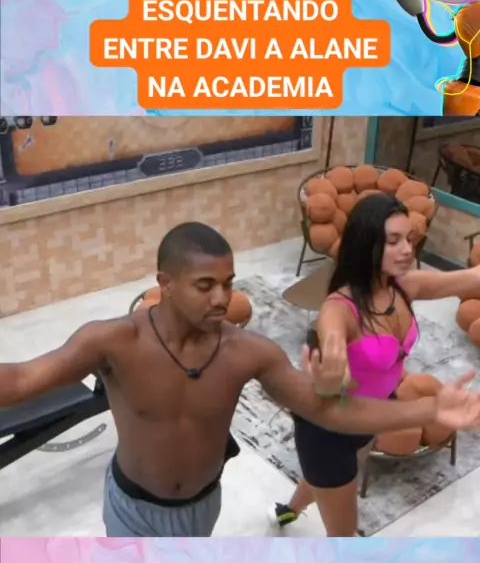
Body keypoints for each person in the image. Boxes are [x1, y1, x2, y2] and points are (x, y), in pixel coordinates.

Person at [1, 221, 480, 539]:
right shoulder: (112, 341)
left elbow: (328, 412)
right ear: (165, 284)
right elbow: (22, 381)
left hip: (203, 505)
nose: (221, 298)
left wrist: (426, 408)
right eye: (205, 285)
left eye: (228, 283)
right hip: (133, 507)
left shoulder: (248, 352)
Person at [272, 193, 480, 538]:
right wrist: (330, 379)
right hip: (328, 432)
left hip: (372, 417)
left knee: (326, 477)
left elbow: (471, 277)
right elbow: (332, 350)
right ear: (366, 243)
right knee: (343, 535)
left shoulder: (404, 286)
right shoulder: (339, 308)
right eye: (393, 241)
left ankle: (289, 510)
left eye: (410, 239)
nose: (407, 250)